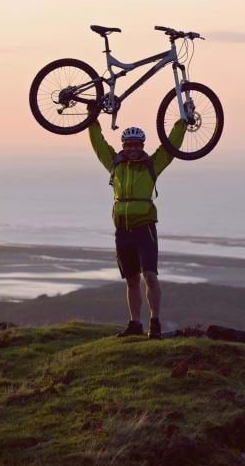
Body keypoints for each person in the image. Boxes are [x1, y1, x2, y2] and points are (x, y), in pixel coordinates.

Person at [88, 117, 185, 339]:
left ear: (143, 146)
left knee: (150, 276)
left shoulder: (152, 165)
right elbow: (98, 143)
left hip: (145, 228)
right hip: (122, 230)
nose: (132, 149)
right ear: (123, 146)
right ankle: (135, 323)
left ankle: (155, 321)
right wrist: (91, 120)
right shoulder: (115, 164)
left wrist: (182, 123)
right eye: (128, 145)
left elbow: (170, 147)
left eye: (137, 145)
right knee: (131, 280)